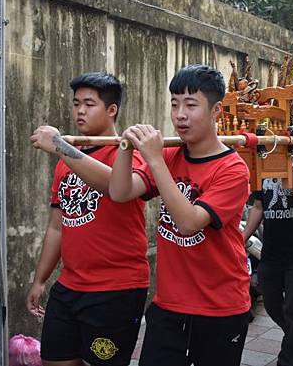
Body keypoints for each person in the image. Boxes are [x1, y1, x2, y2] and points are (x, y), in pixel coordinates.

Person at [108, 64, 252, 366]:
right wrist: (125, 148)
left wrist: (155, 160)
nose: (180, 115)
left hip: (220, 308)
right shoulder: (170, 156)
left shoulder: (233, 169)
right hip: (169, 305)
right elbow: (121, 192)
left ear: (216, 111)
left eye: (190, 104)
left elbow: (188, 223)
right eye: (174, 104)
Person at [27, 72, 149, 366]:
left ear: (111, 110)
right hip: (70, 285)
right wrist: (40, 279)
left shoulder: (129, 152)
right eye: (76, 103)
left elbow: (116, 187)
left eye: (89, 104)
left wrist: (59, 146)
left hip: (116, 289)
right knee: (56, 360)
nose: (80, 110)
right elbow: (57, 226)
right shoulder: (66, 161)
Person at [242, 152, 293, 366]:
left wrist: (287, 164)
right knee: (273, 305)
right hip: (271, 251)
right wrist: (242, 239)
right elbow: (258, 206)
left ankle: (289, 358)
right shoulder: (262, 163)